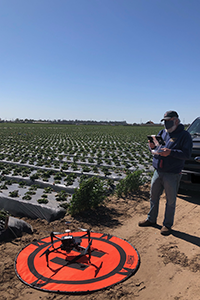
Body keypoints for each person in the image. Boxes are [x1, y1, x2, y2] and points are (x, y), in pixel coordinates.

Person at [138, 110, 193, 235]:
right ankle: (151, 219)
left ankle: (167, 225)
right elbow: (156, 147)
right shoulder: (162, 133)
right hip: (158, 171)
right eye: (165, 121)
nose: (166, 124)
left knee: (170, 200)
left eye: (169, 121)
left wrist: (171, 152)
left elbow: (187, 154)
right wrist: (151, 146)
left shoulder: (184, 136)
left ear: (176, 121)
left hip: (172, 173)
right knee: (153, 196)